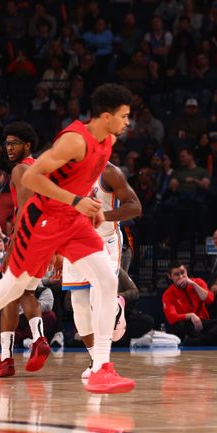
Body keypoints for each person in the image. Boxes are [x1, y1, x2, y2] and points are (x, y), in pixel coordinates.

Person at [0, 83, 135, 394]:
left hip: (74, 220)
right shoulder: (73, 140)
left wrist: (88, 208)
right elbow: (31, 177)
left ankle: (101, 367)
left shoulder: (107, 140)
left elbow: (81, 183)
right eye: (124, 116)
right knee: (11, 288)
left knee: (107, 281)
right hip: (43, 220)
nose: (127, 122)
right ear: (106, 116)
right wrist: (75, 201)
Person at [62, 161, 142, 379]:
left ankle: (114, 310)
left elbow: (136, 207)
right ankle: (95, 360)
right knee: (78, 304)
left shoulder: (108, 172)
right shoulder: (66, 173)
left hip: (104, 240)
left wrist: (103, 216)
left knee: (98, 300)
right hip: (75, 241)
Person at [0, 122, 49, 379]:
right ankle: (38, 339)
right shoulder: (39, 169)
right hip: (43, 239)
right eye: (7, 143)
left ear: (28, 144)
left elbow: (25, 209)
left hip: (26, 239)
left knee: (8, 298)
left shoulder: (20, 169)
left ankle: (7, 359)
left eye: (15, 143)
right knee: (26, 292)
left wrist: (14, 243)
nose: (9, 148)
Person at [162, 262, 217, 345]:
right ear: (170, 276)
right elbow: (172, 317)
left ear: (186, 271)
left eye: (183, 272)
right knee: (178, 325)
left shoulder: (198, 282)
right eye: (176, 275)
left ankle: (199, 340)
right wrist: (190, 315)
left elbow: (210, 300)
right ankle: (213, 339)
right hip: (187, 325)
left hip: (203, 323)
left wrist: (193, 284)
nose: (181, 277)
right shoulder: (168, 294)